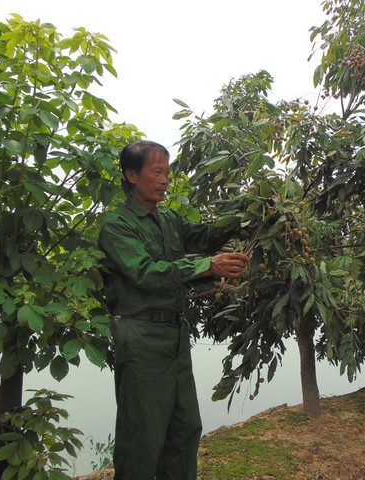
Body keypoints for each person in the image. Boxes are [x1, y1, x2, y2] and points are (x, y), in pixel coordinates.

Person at [98, 140, 248, 480]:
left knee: (185, 428)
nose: (165, 179)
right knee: (143, 434)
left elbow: (203, 236)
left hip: (175, 336)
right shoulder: (117, 226)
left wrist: (245, 214)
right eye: (157, 172)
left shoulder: (168, 218)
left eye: (167, 171)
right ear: (132, 175)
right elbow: (145, 272)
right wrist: (208, 267)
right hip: (141, 338)